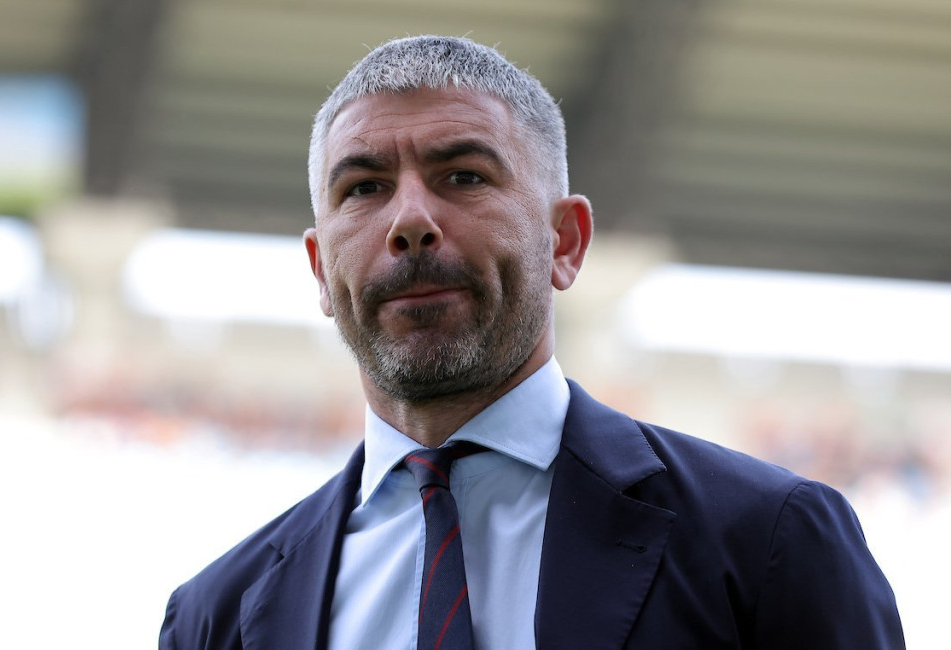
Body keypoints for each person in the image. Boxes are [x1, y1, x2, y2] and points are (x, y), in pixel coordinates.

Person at [158, 35, 904, 649]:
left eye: (462, 176)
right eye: (363, 188)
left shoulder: (766, 540)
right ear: (322, 270)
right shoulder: (216, 617)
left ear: (565, 241)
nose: (409, 220)